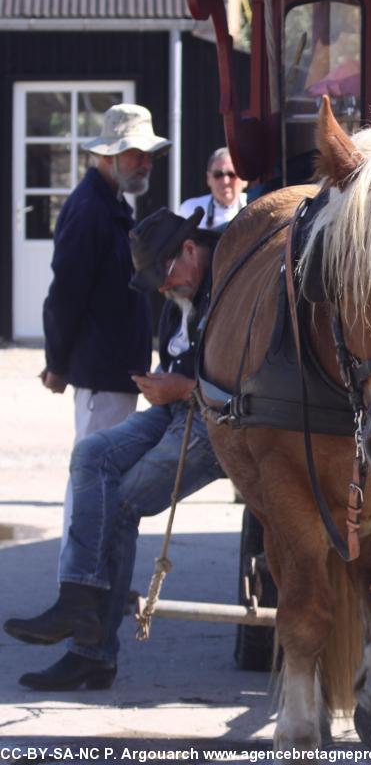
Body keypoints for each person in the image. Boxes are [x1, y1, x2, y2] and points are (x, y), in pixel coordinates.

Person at [5, 209, 226, 691]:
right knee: (90, 455)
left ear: (189, 250)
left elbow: (249, 386)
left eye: (164, 277)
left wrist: (183, 387)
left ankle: (93, 652)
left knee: (121, 503)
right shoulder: (179, 290)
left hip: (215, 424)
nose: (163, 290)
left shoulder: (231, 283)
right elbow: (176, 354)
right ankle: (78, 599)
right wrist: (167, 388)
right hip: (175, 410)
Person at [42, 103, 170, 569]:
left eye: (148, 154)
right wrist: (57, 364)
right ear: (109, 155)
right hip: (100, 372)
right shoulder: (91, 210)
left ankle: (90, 577)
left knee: (99, 476)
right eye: (136, 153)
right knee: (90, 479)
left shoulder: (111, 206)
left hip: (114, 371)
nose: (145, 163)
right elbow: (64, 296)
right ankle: (79, 580)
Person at [178, 147, 247, 229]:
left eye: (232, 174)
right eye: (218, 174)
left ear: (244, 179)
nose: (225, 181)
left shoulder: (254, 207)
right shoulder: (190, 210)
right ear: (208, 179)